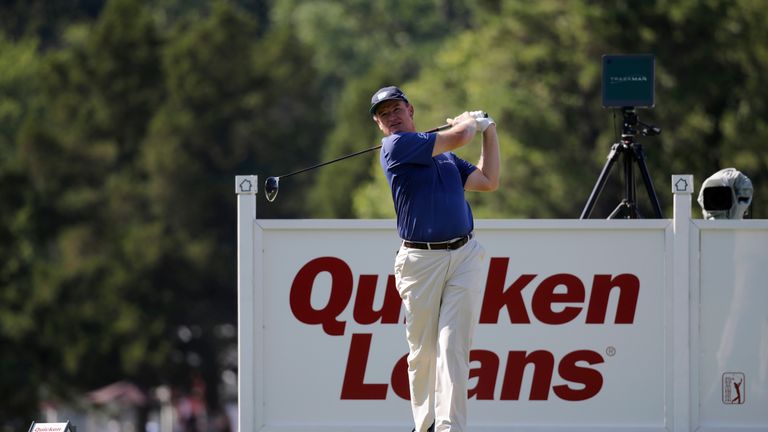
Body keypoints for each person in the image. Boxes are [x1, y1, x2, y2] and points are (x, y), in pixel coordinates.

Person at [370, 85, 500, 432]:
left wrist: (490, 132)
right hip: (419, 262)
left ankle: (449, 427)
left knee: (453, 346)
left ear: (410, 110)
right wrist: (469, 121)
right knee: (423, 353)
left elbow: (488, 181)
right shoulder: (396, 147)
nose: (392, 118)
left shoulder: (444, 156)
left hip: (465, 255)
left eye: (396, 109)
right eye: (384, 115)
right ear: (380, 126)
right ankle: (423, 423)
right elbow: (460, 135)